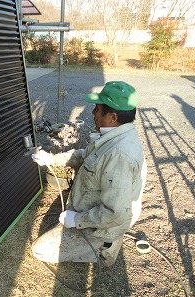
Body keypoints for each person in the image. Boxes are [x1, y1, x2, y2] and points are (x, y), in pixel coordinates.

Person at [31, 81, 147, 266]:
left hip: (101, 226)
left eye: (97, 109)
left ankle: (104, 250)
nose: (93, 113)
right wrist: (51, 159)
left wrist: (77, 219)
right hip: (96, 210)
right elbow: (83, 155)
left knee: (40, 250)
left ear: (112, 117)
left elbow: (115, 213)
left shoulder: (118, 156)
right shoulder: (114, 136)